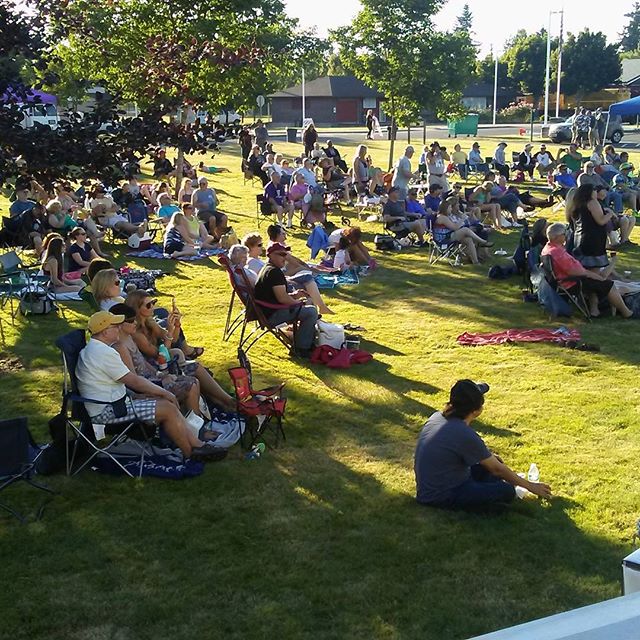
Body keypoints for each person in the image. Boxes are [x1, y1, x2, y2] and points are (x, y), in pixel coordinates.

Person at [75, 310, 219, 461]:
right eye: (115, 326)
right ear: (105, 332)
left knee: (166, 404)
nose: (119, 328)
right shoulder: (103, 353)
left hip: (113, 402)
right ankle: (191, 453)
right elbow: (134, 381)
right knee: (168, 408)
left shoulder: (93, 349)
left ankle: (197, 445)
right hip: (108, 410)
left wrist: (145, 395)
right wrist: (165, 393)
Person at [414, 380, 552, 509]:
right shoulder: (464, 433)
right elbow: (497, 469)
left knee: (493, 463)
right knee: (506, 491)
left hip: (434, 484)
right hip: (441, 495)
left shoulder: (437, 417)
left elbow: (489, 462)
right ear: (477, 410)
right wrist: (531, 486)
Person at [541, 222, 634, 318]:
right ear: (557, 237)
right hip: (571, 283)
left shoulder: (548, 248)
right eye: (564, 234)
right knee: (608, 284)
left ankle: (594, 312)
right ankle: (627, 313)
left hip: (564, 280)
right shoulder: (557, 252)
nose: (566, 236)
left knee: (596, 280)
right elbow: (578, 272)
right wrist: (597, 277)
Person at [254, 242, 319, 357]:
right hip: (272, 315)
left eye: (285, 255)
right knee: (311, 312)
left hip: (267, 311)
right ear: (270, 255)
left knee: (308, 308)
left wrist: (294, 295)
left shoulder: (267, 269)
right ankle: (301, 348)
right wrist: (298, 303)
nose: (284, 258)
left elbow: (277, 295)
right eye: (280, 254)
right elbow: (282, 298)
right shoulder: (274, 272)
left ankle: (305, 341)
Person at [568, 184, 612, 271]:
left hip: (580, 237)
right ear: (590, 192)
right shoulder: (592, 202)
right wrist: (610, 214)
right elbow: (601, 221)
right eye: (595, 190)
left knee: (582, 268)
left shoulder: (577, 203)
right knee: (593, 270)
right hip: (593, 238)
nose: (596, 192)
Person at [434, 199, 493, 265]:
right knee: (465, 230)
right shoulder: (442, 217)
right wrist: (462, 220)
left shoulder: (446, 216)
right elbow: (455, 227)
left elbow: (454, 227)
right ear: (445, 208)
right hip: (444, 239)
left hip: (449, 235)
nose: (450, 209)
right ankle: (482, 242)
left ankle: (475, 262)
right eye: (450, 207)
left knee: (468, 239)